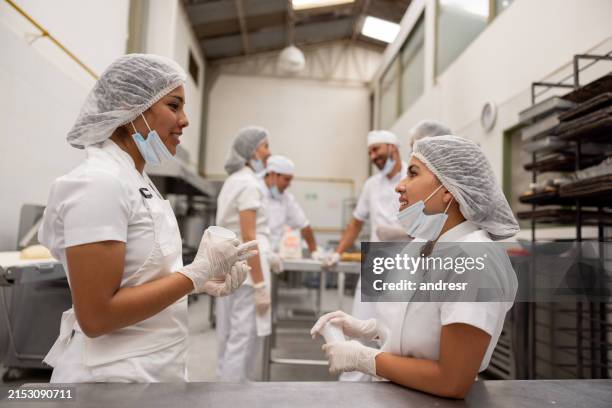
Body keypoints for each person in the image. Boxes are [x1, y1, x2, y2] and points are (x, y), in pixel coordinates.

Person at [38, 54, 256, 383]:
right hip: (108, 382)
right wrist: (193, 276)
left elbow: (138, 279)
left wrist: (195, 282)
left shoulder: (137, 180)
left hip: (147, 374)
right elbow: (97, 315)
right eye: (174, 105)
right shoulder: (99, 182)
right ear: (132, 107)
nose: (185, 120)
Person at [311, 135, 519, 398]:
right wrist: (370, 328)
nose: (400, 186)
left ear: (448, 190)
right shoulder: (425, 244)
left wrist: (364, 359)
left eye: (412, 173)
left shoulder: (476, 261)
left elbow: (452, 381)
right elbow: (420, 323)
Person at [215, 126, 273, 381]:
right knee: (242, 338)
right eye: (265, 147)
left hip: (228, 267)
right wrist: (260, 283)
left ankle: (226, 389)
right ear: (252, 152)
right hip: (247, 274)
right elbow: (250, 236)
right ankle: (232, 396)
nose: (269, 153)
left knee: (227, 336)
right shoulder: (249, 184)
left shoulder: (233, 181)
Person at [263, 155, 321, 273]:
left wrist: (314, 251)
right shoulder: (256, 193)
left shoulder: (287, 199)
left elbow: (304, 225)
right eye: (286, 179)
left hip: (273, 258)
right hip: (254, 256)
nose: (289, 184)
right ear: (273, 175)